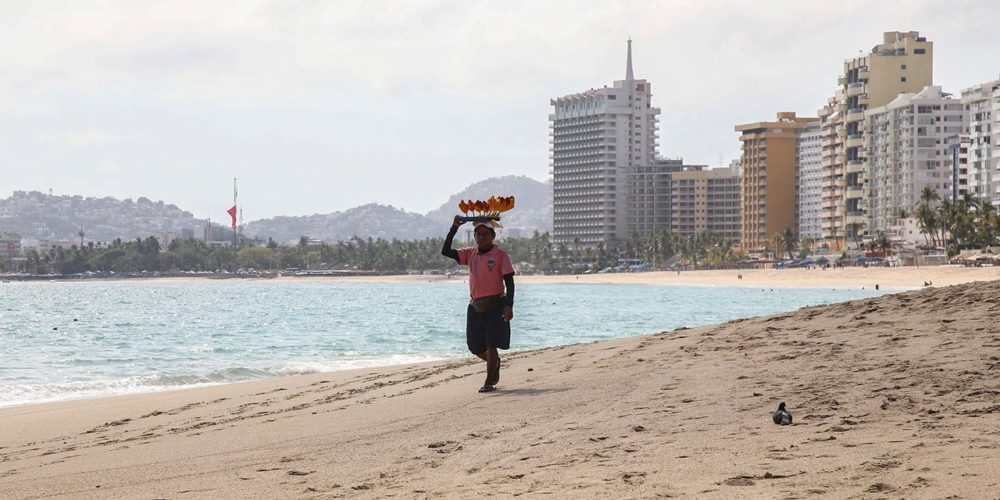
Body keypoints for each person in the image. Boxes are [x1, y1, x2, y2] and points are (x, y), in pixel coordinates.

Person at [441, 216, 515, 393]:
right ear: (474, 236)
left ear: (492, 236)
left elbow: (509, 282)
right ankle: (494, 362)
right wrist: (454, 228)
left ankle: (489, 382)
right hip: (476, 305)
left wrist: (509, 306)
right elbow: (445, 251)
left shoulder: (500, 255)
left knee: (491, 344)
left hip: (496, 303)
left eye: (485, 234)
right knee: (474, 347)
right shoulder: (470, 254)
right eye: (478, 234)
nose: (481, 237)